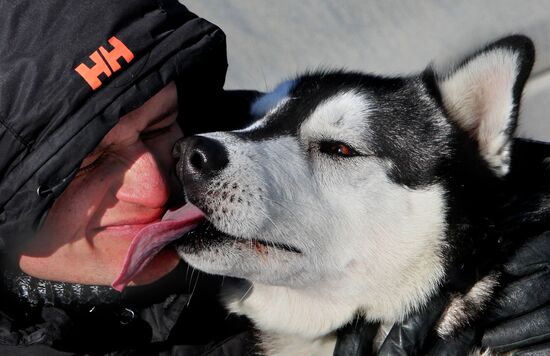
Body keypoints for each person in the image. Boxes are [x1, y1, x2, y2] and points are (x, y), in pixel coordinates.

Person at [0, 1, 548, 355]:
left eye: (162, 126)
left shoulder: (228, 146)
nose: (160, 184)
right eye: (89, 166)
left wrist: (522, 212)